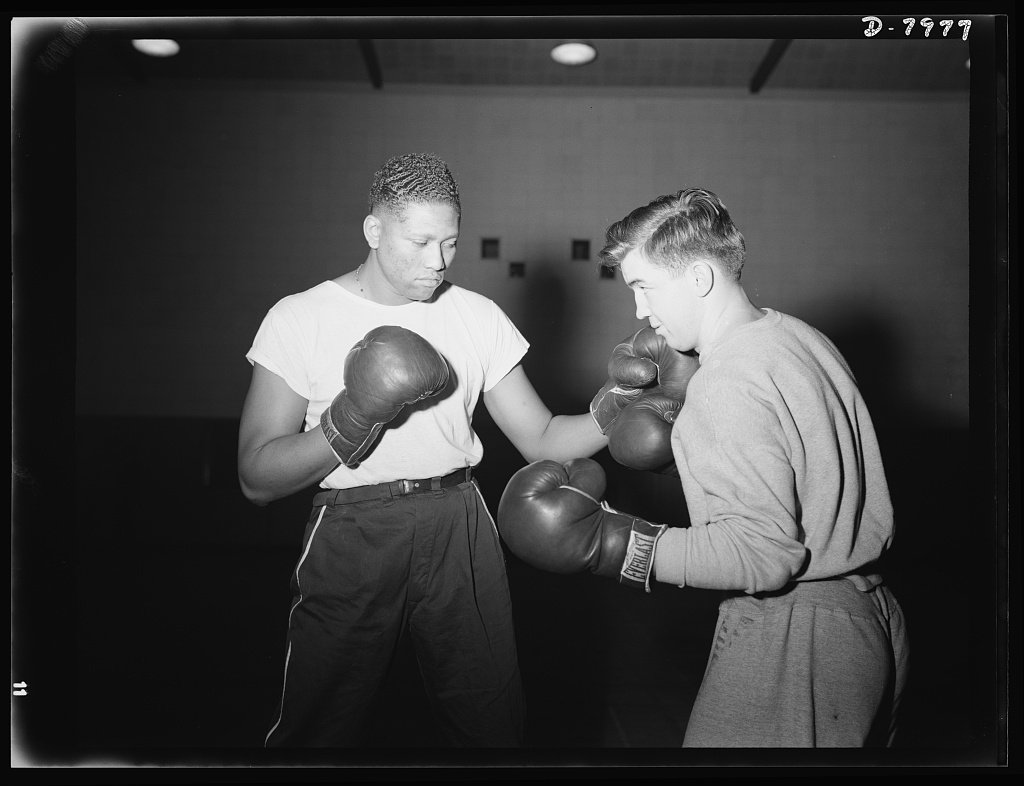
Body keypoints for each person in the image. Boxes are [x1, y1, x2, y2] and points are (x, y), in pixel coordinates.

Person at [236, 152, 687, 748]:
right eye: (420, 242)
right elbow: (256, 476)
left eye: (449, 243)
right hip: (353, 532)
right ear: (374, 230)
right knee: (321, 722)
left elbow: (542, 438)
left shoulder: (476, 316)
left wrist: (622, 400)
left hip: (459, 523)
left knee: (490, 719)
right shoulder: (300, 318)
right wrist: (352, 418)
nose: (437, 262)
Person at [497, 187, 909, 748]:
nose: (640, 311)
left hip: (796, 635)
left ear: (697, 277)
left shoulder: (728, 380)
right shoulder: (799, 338)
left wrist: (611, 544)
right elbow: (801, 476)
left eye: (644, 287)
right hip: (868, 621)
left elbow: (763, 555)